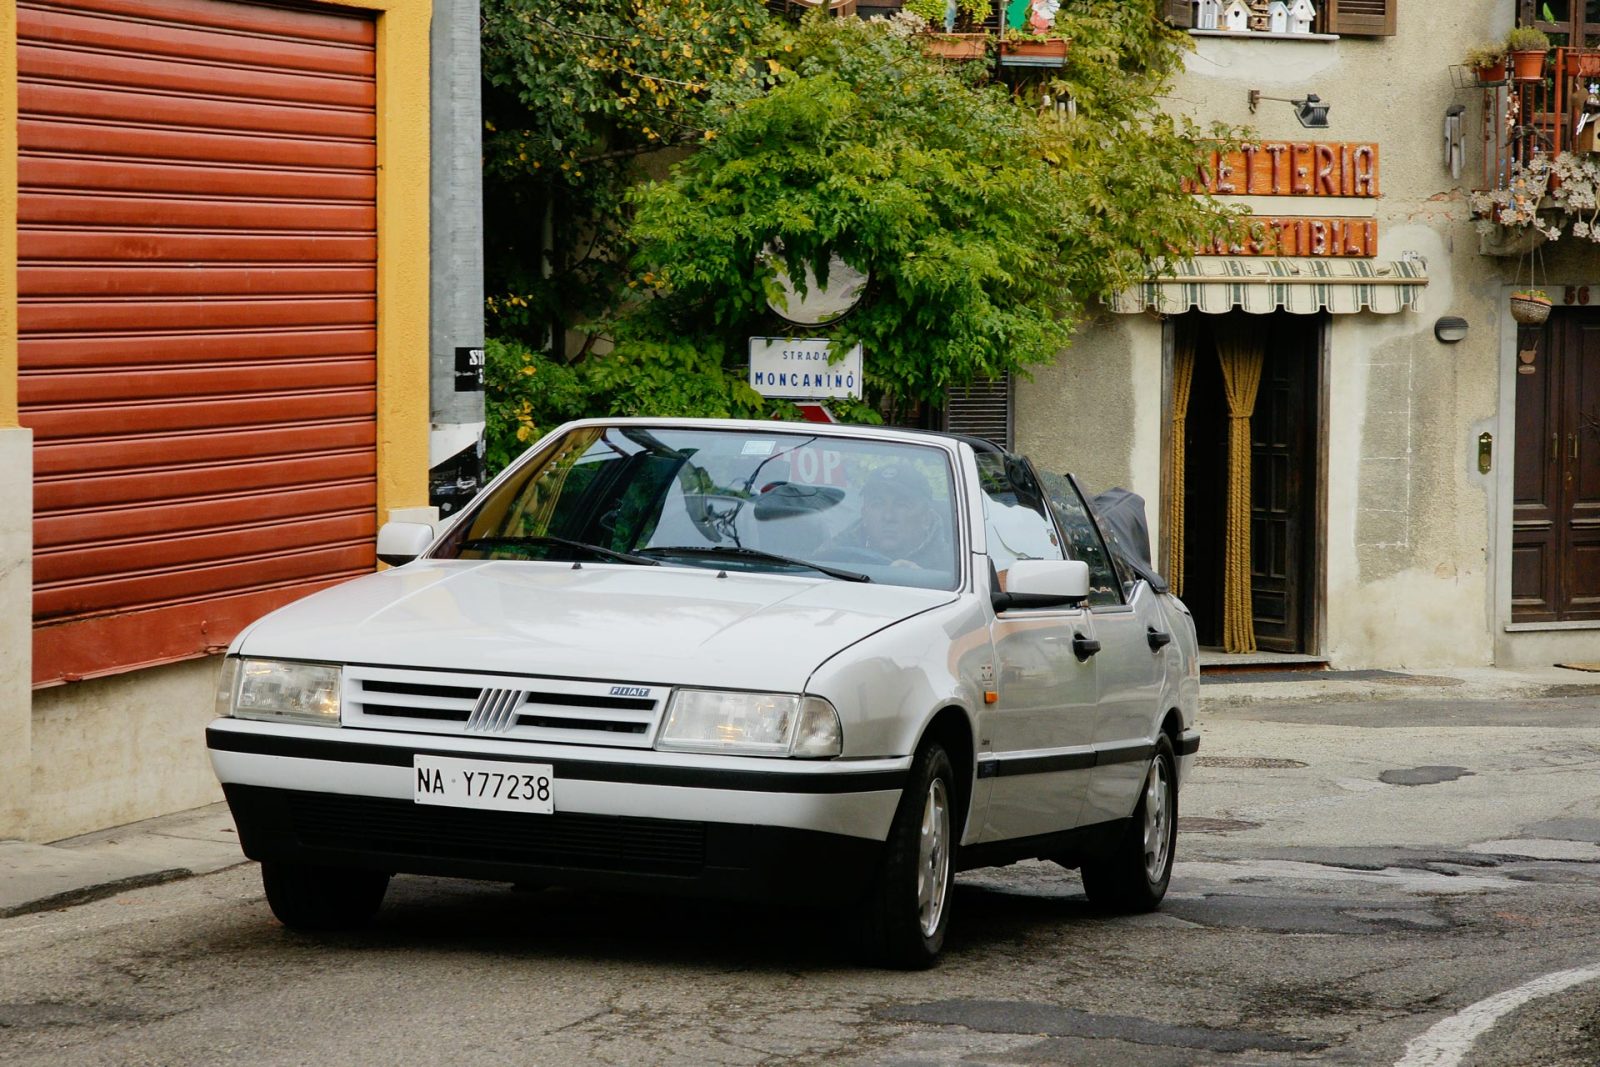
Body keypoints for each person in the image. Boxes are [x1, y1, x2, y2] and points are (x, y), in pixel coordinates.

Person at [827, 462, 952, 570]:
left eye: (902, 505)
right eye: (877, 504)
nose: (888, 516)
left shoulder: (953, 567)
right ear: (864, 514)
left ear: (926, 519)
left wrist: (924, 580)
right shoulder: (836, 553)